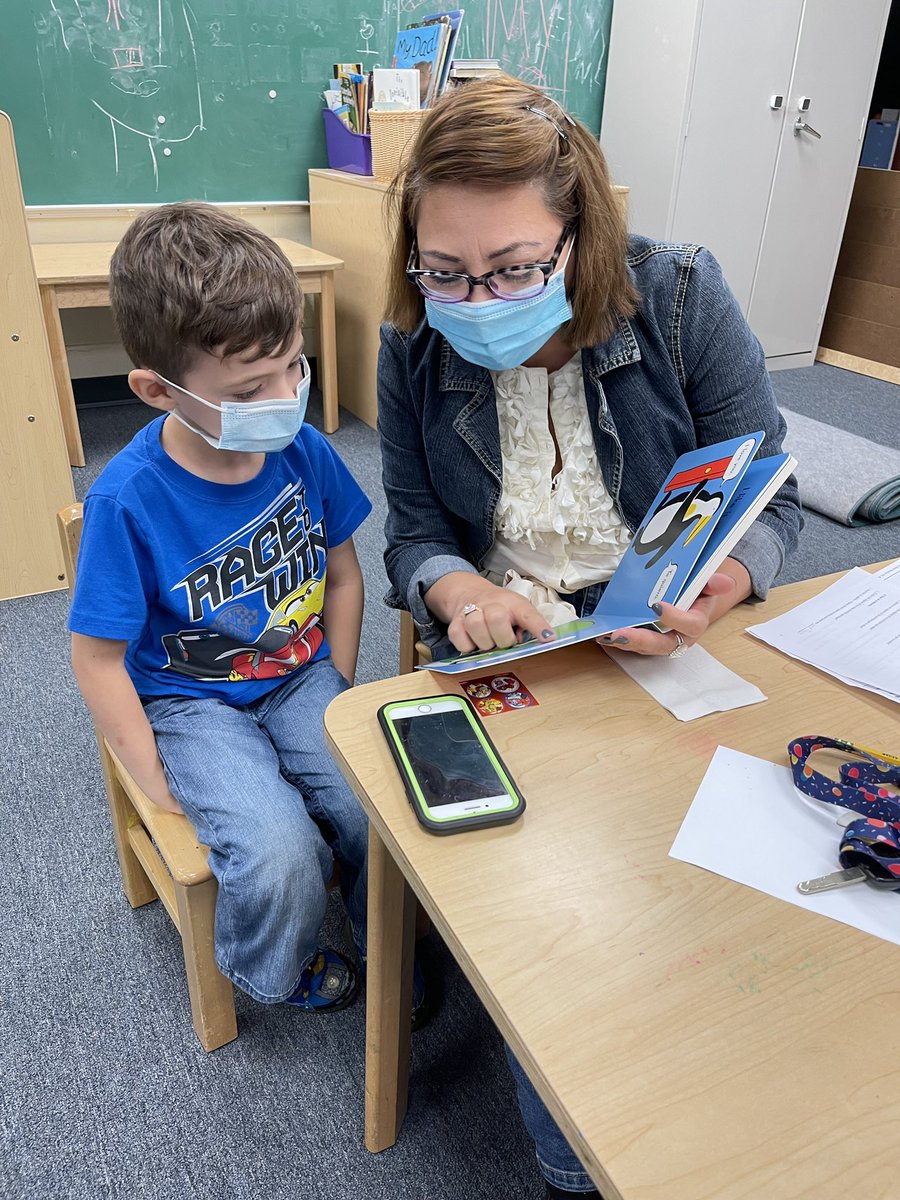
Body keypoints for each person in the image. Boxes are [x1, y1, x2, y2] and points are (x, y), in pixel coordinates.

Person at [377, 76, 801, 1197]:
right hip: (513, 662)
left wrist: (721, 590)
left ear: (581, 232)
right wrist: (457, 591)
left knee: (770, 886)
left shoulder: (680, 297)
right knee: (558, 942)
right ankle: (585, 1168)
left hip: (669, 643)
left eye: (515, 266)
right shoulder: (415, 345)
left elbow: (776, 500)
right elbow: (414, 532)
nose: (478, 298)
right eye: (447, 269)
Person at [68, 203, 372, 1015]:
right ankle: (269, 968)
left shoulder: (301, 451)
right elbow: (95, 658)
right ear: (154, 391)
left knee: (372, 802)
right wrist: (153, 778)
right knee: (278, 851)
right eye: (249, 388)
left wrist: (334, 683)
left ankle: (390, 937)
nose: (284, 398)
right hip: (189, 702)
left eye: (294, 369)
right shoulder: (127, 501)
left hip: (301, 674)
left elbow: (344, 576)